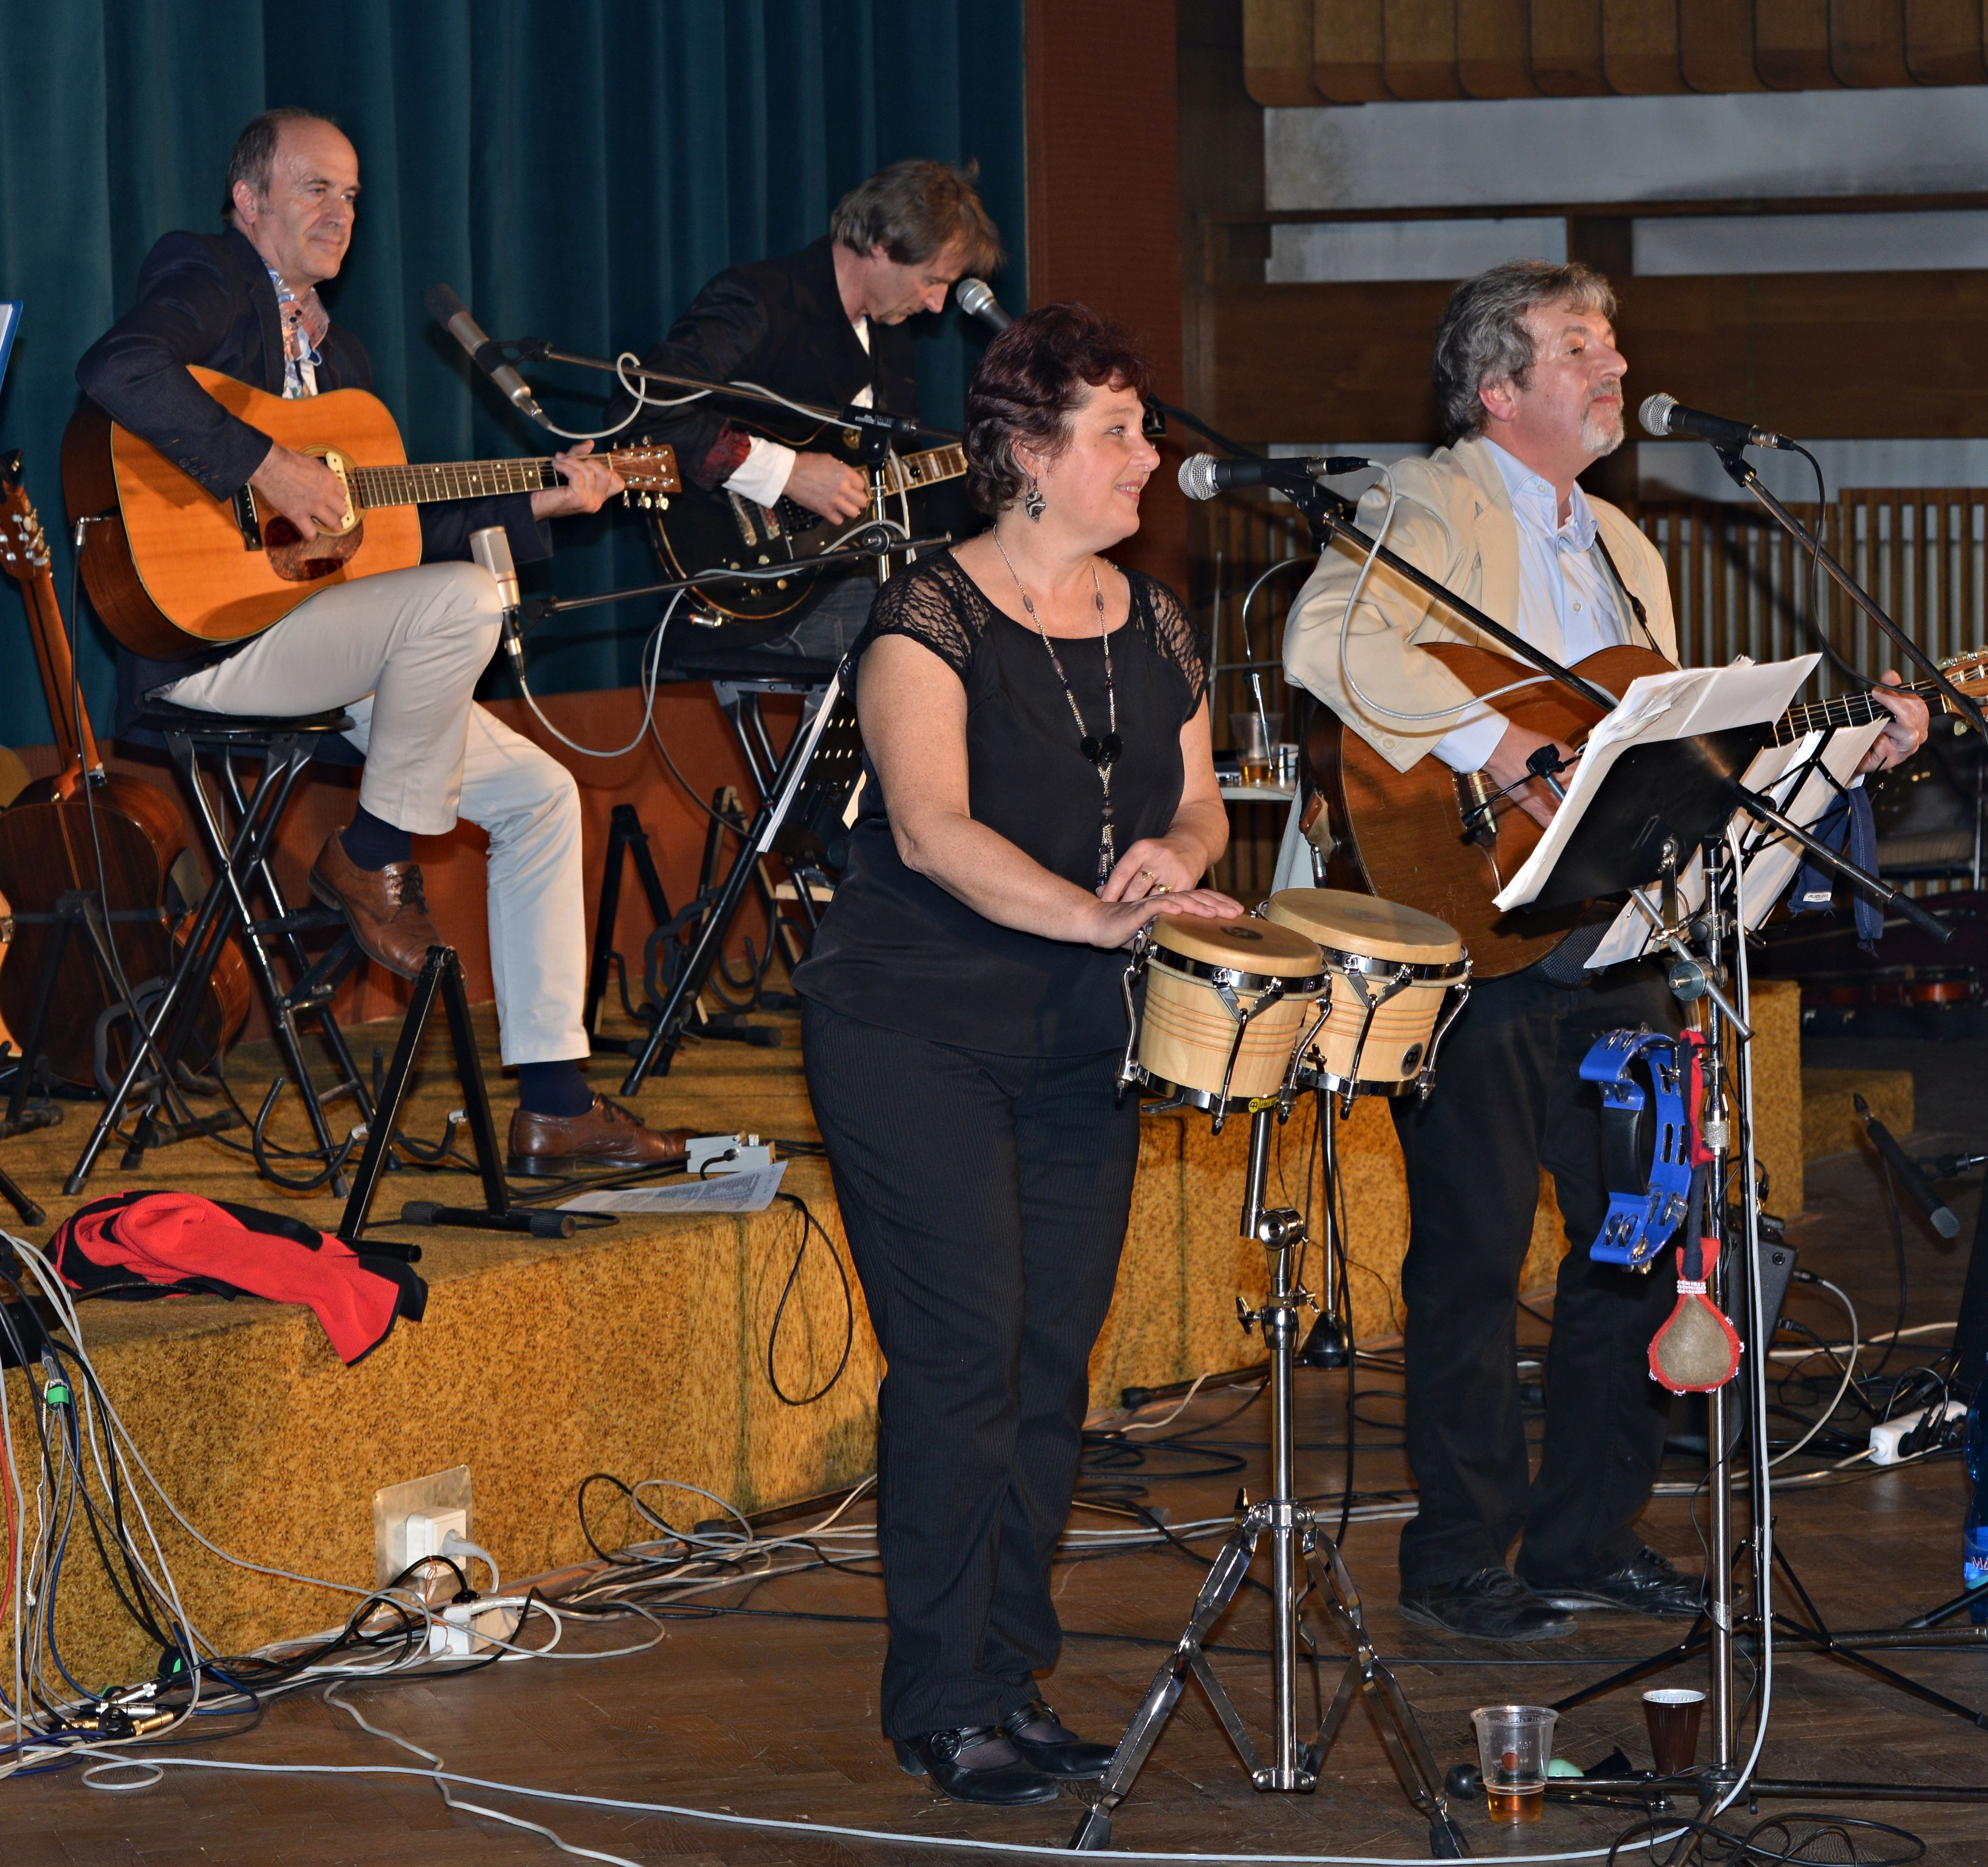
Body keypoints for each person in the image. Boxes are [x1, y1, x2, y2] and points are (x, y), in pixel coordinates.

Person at [1282, 260, 1929, 1643]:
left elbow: (1653, 750)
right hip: (1471, 931)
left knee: (1637, 1246)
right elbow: (1320, 640)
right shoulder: (1426, 500)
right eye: (1579, 347)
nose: (1615, 367)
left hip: (1615, 935)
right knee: (1468, 1260)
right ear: (1496, 388)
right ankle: (1457, 1554)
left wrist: (1848, 748)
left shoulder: (1626, 546)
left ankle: (1584, 1532)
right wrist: (1492, 744)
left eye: (1611, 344)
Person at [792, 304, 1234, 1805]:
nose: (1148, 457)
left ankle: (1006, 1673)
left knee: (1049, 1365)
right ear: (1029, 455)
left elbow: (1199, 802)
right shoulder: (923, 616)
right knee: (963, 1357)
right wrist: (1099, 918)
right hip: (912, 1025)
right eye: (1117, 431)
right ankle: (938, 1695)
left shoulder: (1152, 618)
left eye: (1141, 427)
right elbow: (930, 832)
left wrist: (1176, 861)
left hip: (1076, 1038)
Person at [74, 106, 690, 1173]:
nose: (340, 213)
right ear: (248, 201)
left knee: (543, 795)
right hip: (209, 647)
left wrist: (543, 504)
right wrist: (267, 465)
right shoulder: (209, 275)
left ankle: (554, 1105)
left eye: (353, 195)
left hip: (329, 645)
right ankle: (369, 857)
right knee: (462, 603)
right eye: (315, 188)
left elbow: (398, 539)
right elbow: (119, 369)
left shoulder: (343, 359)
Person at [632, 157, 1003, 666]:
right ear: (882, 244)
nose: (938, 304)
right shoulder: (761, 301)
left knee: (1005, 608)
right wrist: (785, 473)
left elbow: (899, 483)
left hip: (854, 572)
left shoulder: (890, 334)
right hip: (758, 592)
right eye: (931, 281)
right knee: (950, 646)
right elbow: (646, 409)